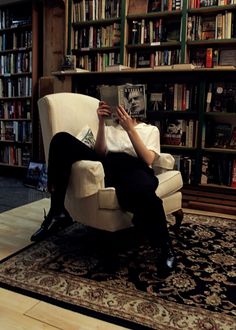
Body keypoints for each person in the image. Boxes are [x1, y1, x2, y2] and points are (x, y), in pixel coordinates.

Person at [31, 101, 176, 275]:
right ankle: (58, 210)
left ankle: (165, 249)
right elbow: (99, 153)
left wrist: (130, 129)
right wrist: (101, 122)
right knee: (61, 140)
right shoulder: (109, 127)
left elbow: (148, 160)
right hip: (108, 164)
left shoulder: (150, 129)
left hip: (135, 167)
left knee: (143, 193)